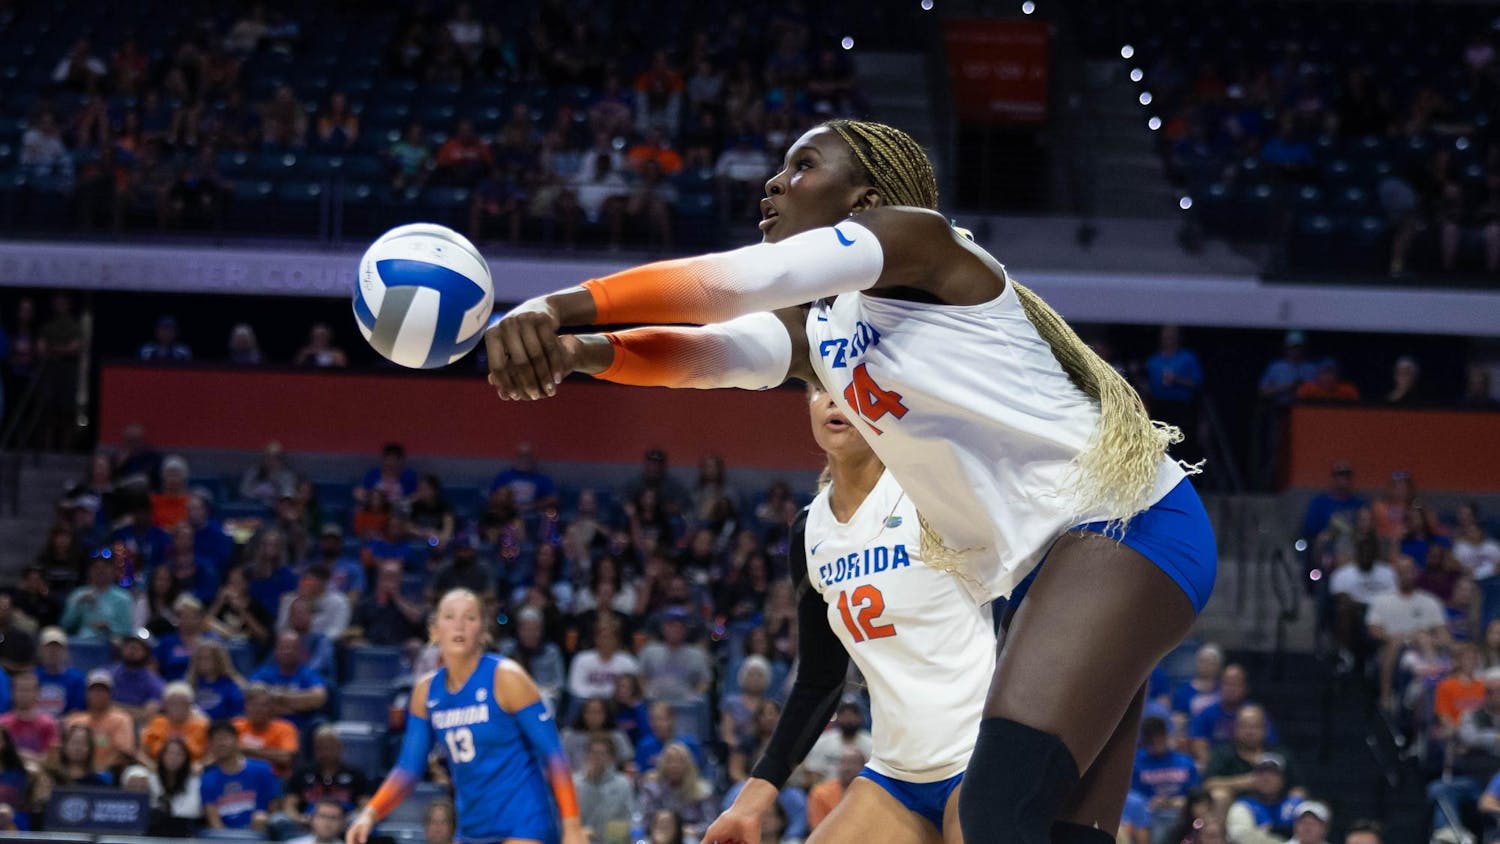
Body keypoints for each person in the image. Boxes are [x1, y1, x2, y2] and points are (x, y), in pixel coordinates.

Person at [486, 117, 1216, 842]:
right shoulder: (829, 331)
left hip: (1125, 529)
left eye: (803, 167)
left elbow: (735, 283)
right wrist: (575, 353)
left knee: (994, 812)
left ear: (865, 202)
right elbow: (706, 356)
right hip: (1056, 573)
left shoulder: (925, 243)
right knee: (1057, 834)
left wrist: (554, 306)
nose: (775, 183)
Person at [716, 379, 998, 844]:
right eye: (818, 387)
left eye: (847, 382)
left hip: (982, 755)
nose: (833, 397)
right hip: (895, 774)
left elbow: (1020, 596)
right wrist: (751, 801)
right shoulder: (810, 532)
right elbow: (819, 681)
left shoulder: (931, 490)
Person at [345, 589, 586, 844]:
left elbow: (554, 755)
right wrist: (370, 813)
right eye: (449, 617)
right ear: (434, 630)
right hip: (472, 826)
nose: (459, 625)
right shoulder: (426, 692)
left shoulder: (507, 677)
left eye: (470, 618)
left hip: (525, 822)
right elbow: (409, 768)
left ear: (483, 631)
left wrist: (572, 826)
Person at [202, 719, 281, 831]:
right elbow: (214, 821)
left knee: (260, 818)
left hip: (261, 833)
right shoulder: (207, 779)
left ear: (237, 741)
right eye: (216, 739)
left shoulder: (262, 770)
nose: (221, 743)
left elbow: (273, 809)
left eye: (225, 738)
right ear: (210, 746)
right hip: (225, 836)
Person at [64, 670, 137, 770]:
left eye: (102, 690)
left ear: (110, 694)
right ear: (87, 693)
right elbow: (63, 750)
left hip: (109, 773)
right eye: (94, 690)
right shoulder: (74, 720)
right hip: (76, 771)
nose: (98, 694)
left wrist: (99, 771)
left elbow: (123, 752)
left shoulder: (121, 719)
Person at [575, 734, 636, 844]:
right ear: (586, 755)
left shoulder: (622, 784)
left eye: (602, 754)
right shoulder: (575, 784)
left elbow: (626, 817)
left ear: (611, 758)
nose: (597, 758)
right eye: (593, 753)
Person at [60, 554, 133, 640]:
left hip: (112, 642)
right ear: (90, 571)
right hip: (82, 641)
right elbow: (65, 625)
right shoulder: (78, 594)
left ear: (112, 571)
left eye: (104, 568)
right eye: (96, 568)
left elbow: (127, 630)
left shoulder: (123, 597)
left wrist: (109, 627)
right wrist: (78, 606)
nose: (100, 571)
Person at [140, 681, 209, 761]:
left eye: (182, 703)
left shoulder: (201, 726)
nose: (178, 707)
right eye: (173, 703)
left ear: (190, 705)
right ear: (165, 705)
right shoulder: (157, 723)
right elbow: (143, 751)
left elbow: (207, 755)